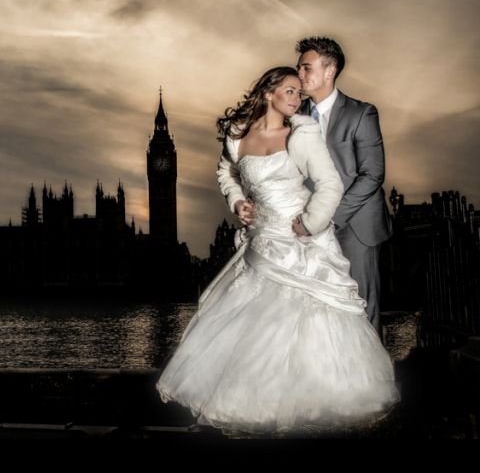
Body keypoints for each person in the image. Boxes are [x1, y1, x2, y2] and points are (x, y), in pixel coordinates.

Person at [155, 67, 399, 435]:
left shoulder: (303, 132)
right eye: (289, 91)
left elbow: (330, 185)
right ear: (268, 92)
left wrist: (311, 222)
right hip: (262, 241)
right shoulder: (237, 137)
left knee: (309, 324)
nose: (297, 98)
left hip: (303, 242)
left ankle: (313, 409)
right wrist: (237, 202)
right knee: (259, 328)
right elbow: (226, 173)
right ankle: (263, 411)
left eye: (299, 93)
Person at [296, 37, 393, 336]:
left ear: (330, 71)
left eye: (306, 67)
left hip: (356, 226)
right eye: (299, 68)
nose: (299, 74)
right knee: (315, 307)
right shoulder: (294, 115)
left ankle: (373, 381)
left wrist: (329, 215)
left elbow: (372, 175)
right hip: (309, 227)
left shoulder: (361, 113)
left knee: (361, 307)